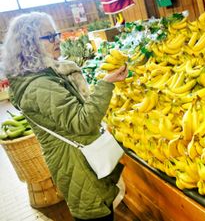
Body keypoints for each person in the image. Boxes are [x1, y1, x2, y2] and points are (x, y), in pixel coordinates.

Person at [1, 12, 128, 221]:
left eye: (56, 34)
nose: (57, 40)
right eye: (49, 37)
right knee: (94, 214)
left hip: (77, 163)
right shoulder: (39, 86)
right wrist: (106, 83)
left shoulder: (40, 76)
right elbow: (83, 121)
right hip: (78, 168)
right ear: (29, 44)